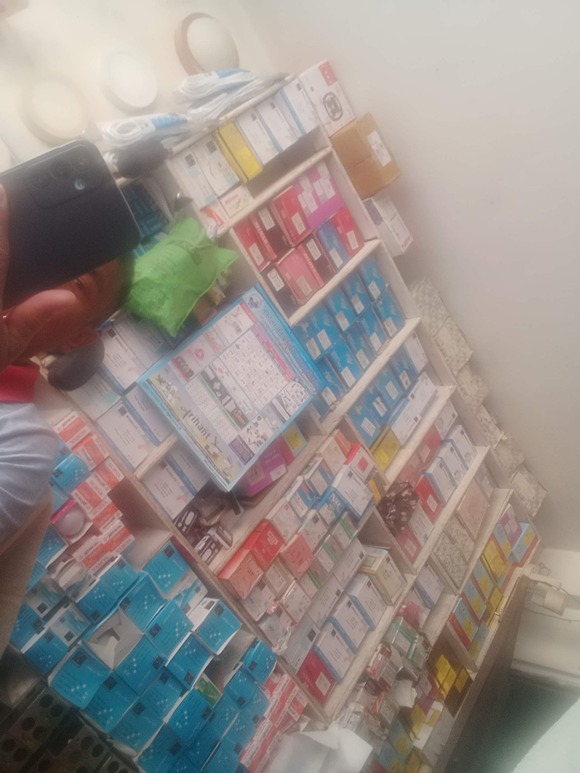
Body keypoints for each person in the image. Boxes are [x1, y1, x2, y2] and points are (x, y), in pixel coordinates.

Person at [0, 183, 132, 653]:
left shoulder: (22, 448)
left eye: (77, 280)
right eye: (42, 246)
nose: (40, 273)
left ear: (78, 337)